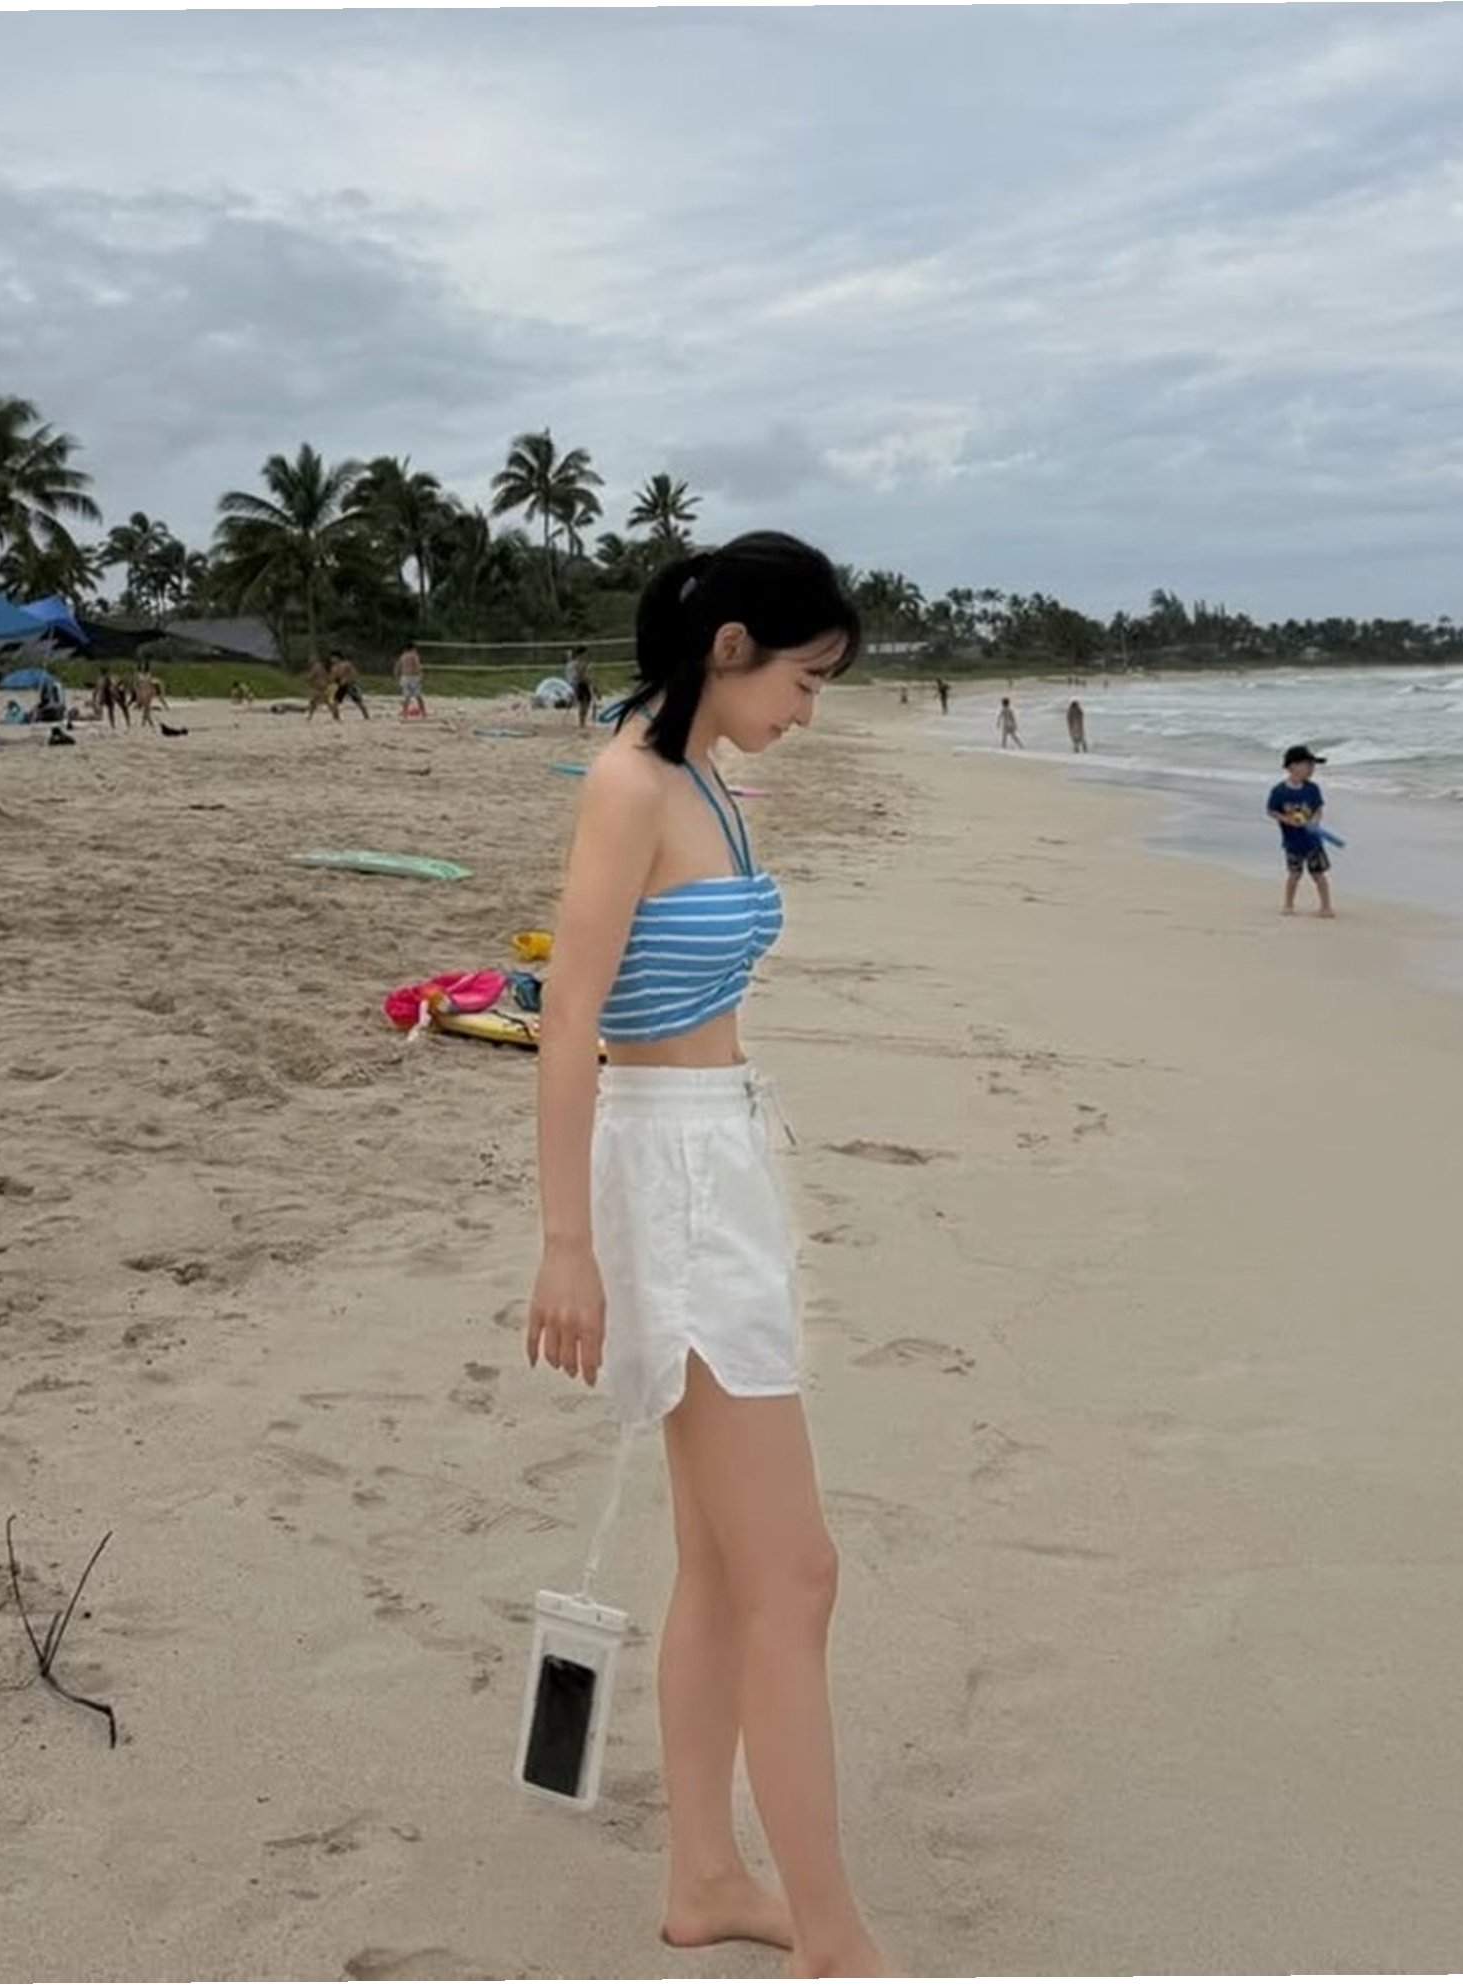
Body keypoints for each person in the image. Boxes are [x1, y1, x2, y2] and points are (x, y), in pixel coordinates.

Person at [527, 532, 890, 1977]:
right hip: (667, 1175)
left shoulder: (707, 778)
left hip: (720, 1156)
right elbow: (567, 1016)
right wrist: (567, 1243)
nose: (808, 708)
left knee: (730, 1566)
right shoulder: (629, 783)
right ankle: (834, 1940)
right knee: (796, 1574)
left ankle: (705, 1877)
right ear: (730, 648)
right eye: (805, 678)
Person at [1267, 745, 1335, 918]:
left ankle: (1326, 907)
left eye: (1313, 766)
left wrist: (1315, 822)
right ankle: (1288, 905)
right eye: (1308, 765)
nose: (1312, 769)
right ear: (1293, 766)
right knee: (1294, 874)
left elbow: (1318, 809)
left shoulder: (1312, 789)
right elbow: (1271, 811)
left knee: (1319, 875)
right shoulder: (1279, 791)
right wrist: (1288, 820)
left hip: (1313, 842)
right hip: (1292, 842)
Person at [330, 651, 370, 720]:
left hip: (350, 685)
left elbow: (354, 673)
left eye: (333, 658)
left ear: (337, 657)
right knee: (335, 703)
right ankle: (336, 718)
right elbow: (333, 678)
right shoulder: (334, 667)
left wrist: (348, 679)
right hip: (341, 686)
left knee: (358, 701)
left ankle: (366, 716)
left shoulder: (346, 664)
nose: (332, 659)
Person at [567, 644, 595, 730]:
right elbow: (579, 675)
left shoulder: (583, 663)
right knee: (583, 702)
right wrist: (586, 676)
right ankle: (582, 722)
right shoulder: (577, 663)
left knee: (587, 702)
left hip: (584, 683)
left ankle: (583, 721)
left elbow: (587, 675)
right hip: (580, 684)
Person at [394, 642, 425, 718]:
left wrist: (397, 676)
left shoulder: (403, 656)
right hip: (413, 677)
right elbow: (417, 666)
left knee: (406, 696)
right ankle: (423, 712)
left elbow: (397, 666)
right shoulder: (414, 656)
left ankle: (405, 713)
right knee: (418, 696)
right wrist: (421, 675)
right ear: (413, 648)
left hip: (404, 677)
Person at [307, 655, 339, 722]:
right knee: (325, 702)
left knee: (315, 702)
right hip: (322, 686)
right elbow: (329, 678)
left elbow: (311, 676)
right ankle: (336, 716)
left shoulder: (318, 667)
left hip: (320, 687)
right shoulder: (321, 667)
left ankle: (310, 716)